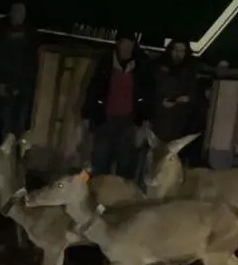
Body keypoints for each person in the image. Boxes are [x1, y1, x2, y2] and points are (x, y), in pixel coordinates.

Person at [82, 30, 154, 179]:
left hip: (129, 122)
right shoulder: (106, 63)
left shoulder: (142, 66)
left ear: (134, 45)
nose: (126, 47)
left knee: (126, 165)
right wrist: (87, 114)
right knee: (101, 162)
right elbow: (94, 88)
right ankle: (99, 194)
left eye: (129, 43)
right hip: (105, 120)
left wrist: (144, 121)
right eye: (123, 43)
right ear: (117, 44)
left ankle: (121, 197)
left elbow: (148, 95)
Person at [0, 1, 40, 144]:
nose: (17, 16)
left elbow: (31, 66)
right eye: (15, 12)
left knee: (18, 129)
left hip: (22, 90)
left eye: (20, 13)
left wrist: (21, 86)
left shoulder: (31, 37)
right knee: (2, 126)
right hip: (4, 88)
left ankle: (13, 157)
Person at [150, 37, 201, 145]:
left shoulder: (190, 71)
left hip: (180, 126)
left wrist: (188, 99)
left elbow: (197, 96)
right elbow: (148, 92)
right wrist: (160, 103)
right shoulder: (157, 67)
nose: (178, 54)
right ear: (170, 50)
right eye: (175, 50)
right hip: (158, 122)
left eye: (182, 50)